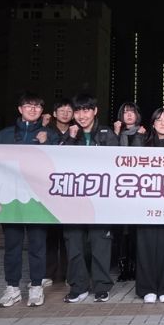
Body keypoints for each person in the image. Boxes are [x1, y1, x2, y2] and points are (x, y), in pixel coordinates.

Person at [0, 92, 59, 308]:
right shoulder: (5, 135)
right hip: (9, 200)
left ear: (42, 111)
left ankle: (36, 287)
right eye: (28, 106)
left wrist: (47, 144)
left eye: (37, 106)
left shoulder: (49, 135)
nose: (33, 109)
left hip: (37, 200)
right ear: (20, 109)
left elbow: (57, 163)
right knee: (12, 246)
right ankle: (12, 288)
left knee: (37, 245)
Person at [61, 93, 118, 303]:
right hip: (73, 201)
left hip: (99, 201)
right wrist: (70, 138)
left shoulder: (106, 134)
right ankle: (78, 287)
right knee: (74, 245)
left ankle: (101, 286)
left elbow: (115, 162)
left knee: (100, 244)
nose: (82, 115)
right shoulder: (70, 135)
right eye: (78, 111)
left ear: (95, 111)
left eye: (86, 110)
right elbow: (58, 162)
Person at [131, 108, 164, 303]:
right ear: (152, 123)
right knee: (145, 243)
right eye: (159, 120)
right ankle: (147, 288)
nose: (163, 123)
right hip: (146, 201)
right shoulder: (142, 143)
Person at [112, 101, 146, 282]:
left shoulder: (144, 133)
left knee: (136, 230)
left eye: (132, 112)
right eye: (125, 112)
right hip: (121, 189)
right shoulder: (115, 134)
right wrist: (116, 134)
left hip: (139, 189)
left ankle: (136, 266)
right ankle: (124, 267)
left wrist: (139, 137)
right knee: (122, 231)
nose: (129, 115)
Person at [43, 98, 74, 285]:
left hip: (70, 189)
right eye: (61, 110)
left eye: (69, 110)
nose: (65, 113)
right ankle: (48, 273)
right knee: (50, 234)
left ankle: (67, 273)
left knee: (68, 235)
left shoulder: (77, 131)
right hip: (49, 188)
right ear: (54, 113)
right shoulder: (45, 131)